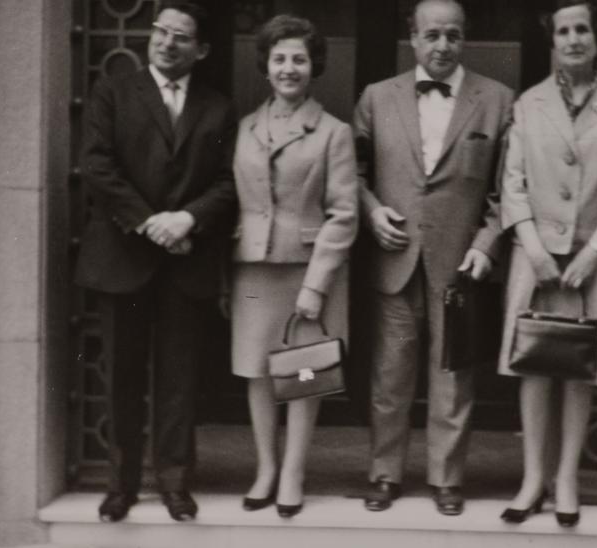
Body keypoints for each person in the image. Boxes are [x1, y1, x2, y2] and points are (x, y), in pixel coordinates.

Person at [74, 1, 237, 523]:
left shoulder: (218, 108)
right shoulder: (113, 91)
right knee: (122, 376)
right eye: (161, 31)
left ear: (201, 49)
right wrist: (149, 223)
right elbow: (97, 166)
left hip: (185, 263)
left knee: (178, 379)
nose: (167, 42)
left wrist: (187, 219)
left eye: (180, 37)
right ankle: (120, 486)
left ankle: (174, 483)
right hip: (122, 257)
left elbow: (229, 181)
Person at [354, 0, 514, 516]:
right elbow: (351, 172)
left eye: (453, 35)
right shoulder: (377, 97)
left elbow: (506, 190)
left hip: (459, 266)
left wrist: (486, 244)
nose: (443, 46)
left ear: (464, 37)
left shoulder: (497, 101)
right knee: (390, 374)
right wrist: (371, 211)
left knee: (453, 376)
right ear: (413, 37)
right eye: (432, 35)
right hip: (395, 259)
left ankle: (447, 478)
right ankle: (384, 473)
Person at [497, 0, 597, 527]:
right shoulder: (529, 103)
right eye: (563, 31)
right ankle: (532, 478)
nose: (574, 39)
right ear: (553, 39)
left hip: (591, 258)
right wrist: (534, 247)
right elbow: (512, 183)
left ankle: (566, 480)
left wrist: (594, 251)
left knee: (580, 365)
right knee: (534, 363)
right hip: (534, 256)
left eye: (583, 29)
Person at [229, 14, 358, 519]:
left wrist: (317, 285)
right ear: (265, 66)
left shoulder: (334, 132)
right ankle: (265, 467)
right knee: (258, 371)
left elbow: (344, 215)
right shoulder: (244, 128)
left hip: (307, 271)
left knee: (304, 375)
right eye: (279, 58)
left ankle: (293, 473)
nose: (288, 68)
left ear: (313, 66)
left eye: (299, 59)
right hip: (253, 269)